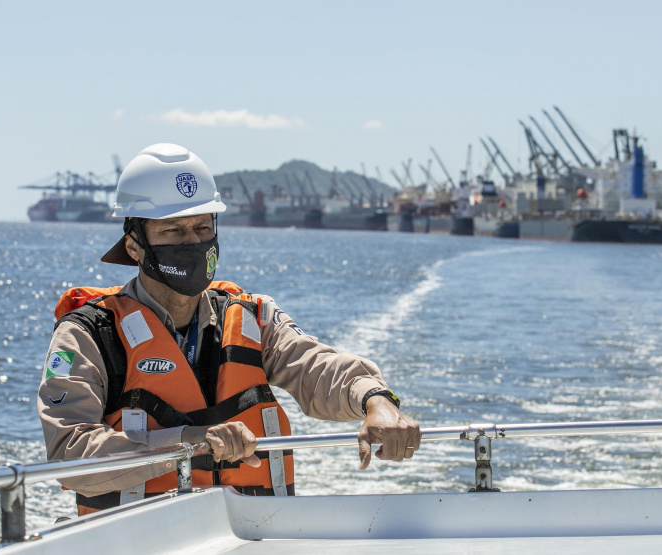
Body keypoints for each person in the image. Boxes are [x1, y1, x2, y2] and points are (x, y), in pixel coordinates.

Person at [38, 143, 421, 514]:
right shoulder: (87, 334)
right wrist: (188, 442)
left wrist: (375, 399)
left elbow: (315, 367)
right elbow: (69, 452)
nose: (192, 243)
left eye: (202, 228)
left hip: (253, 537)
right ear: (134, 245)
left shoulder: (252, 317)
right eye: (173, 231)